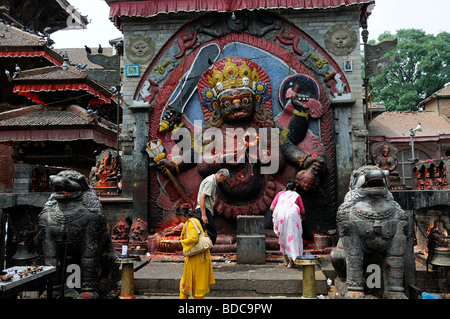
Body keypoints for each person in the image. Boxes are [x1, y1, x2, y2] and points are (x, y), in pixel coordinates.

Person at [176, 204, 215, 299]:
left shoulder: (190, 223)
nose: (180, 220)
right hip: (200, 258)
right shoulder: (197, 221)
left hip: (196, 260)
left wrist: (179, 243)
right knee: (187, 287)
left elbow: (193, 238)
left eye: (179, 217)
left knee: (193, 289)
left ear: (183, 215)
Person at [270, 182, 305, 268]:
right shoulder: (296, 195)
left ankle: (286, 261)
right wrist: (302, 217)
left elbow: (272, 208)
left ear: (285, 188)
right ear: (294, 189)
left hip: (280, 214)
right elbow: (303, 211)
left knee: (283, 236)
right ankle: (291, 262)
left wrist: (282, 208)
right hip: (292, 214)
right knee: (292, 236)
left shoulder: (280, 194)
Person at [195, 168, 230, 245]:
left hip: (204, 210)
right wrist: (204, 215)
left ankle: (204, 255)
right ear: (220, 175)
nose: (222, 182)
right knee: (212, 234)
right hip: (204, 210)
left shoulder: (212, 181)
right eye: (223, 179)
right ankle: (205, 254)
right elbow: (202, 197)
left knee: (205, 234)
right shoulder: (210, 181)